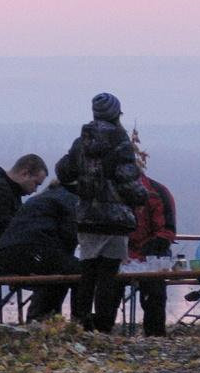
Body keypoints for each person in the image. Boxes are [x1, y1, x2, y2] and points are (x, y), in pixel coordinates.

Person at [55, 93, 147, 333]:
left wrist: (79, 190)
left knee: (88, 272)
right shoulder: (120, 142)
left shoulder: (80, 143)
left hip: (86, 218)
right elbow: (127, 181)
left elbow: (63, 172)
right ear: (117, 114)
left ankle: (80, 324)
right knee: (108, 275)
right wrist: (141, 197)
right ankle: (104, 326)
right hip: (116, 220)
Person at [0, 181, 84, 322]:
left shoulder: (38, 198)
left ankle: (44, 319)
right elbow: (70, 235)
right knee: (82, 272)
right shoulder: (71, 199)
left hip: (5, 255)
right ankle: (78, 321)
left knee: (59, 269)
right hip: (34, 250)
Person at [103, 170, 176, 336]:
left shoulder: (158, 192)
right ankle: (102, 333)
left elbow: (166, 233)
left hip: (151, 254)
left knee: (154, 288)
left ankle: (155, 335)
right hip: (118, 253)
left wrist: (142, 258)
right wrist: (119, 254)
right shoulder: (109, 193)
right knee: (107, 288)